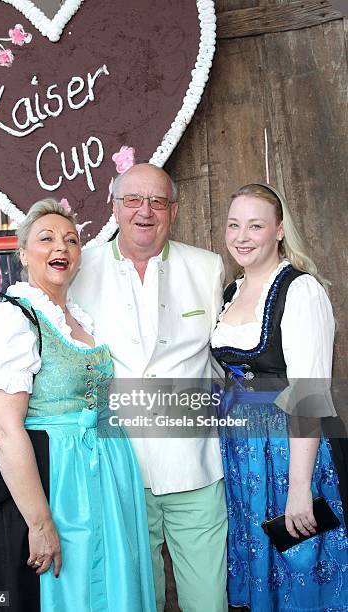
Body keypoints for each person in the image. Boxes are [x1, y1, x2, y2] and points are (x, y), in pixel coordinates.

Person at [0, 199, 156, 612]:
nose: (60, 247)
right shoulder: (13, 318)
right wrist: (39, 521)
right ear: (23, 253)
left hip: (104, 473)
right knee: (62, 588)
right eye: (46, 238)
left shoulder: (81, 319)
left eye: (70, 239)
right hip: (56, 479)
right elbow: (4, 429)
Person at [70, 163, 228, 612]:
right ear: (114, 208)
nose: (145, 211)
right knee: (137, 600)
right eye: (133, 200)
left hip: (194, 465)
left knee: (208, 601)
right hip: (120, 469)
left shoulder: (208, 268)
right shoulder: (82, 267)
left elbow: (223, 362)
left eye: (157, 201)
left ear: (173, 211)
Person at [211, 183, 348, 611]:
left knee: (298, 559)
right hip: (241, 451)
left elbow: (308, 396)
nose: (242, 236)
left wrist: (299, 487)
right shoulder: (231, 292)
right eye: (234, 225)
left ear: (279, 230)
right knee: (261, 568)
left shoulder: (300, 291)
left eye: (255, 225)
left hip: (289, 451)